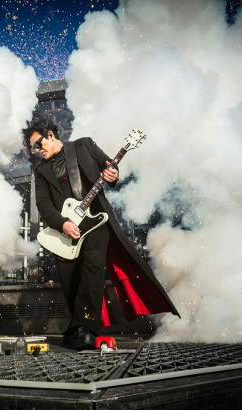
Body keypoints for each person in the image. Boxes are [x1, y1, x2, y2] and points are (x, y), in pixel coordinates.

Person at [22, 113, 179, 349]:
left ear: (50, 135)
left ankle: (87, 328)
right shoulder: (40, 170)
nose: (36, 151)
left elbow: (110, 168)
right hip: (64, 229)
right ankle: (76, 326)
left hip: (96, 222)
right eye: (33, 148)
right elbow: (43, 205)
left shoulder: (84, 146)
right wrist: (62, 224)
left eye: (38, 144)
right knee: (69, 278)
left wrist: (113, 175)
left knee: (93, 269)